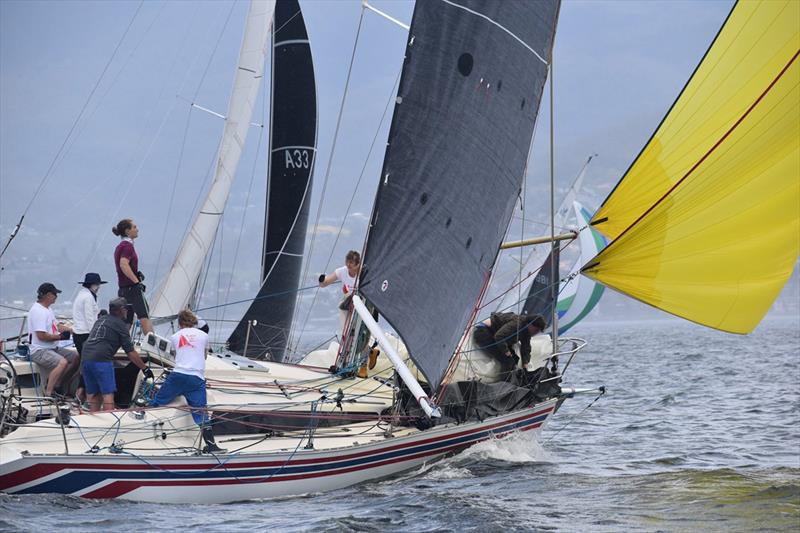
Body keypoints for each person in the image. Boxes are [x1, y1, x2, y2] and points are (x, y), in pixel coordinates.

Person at [149, 309, 222, 453]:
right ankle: (212, 446)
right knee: (201, 413)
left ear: (180, 323)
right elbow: (205, 356)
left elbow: (176, 357)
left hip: (179, 375)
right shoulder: (204, 335)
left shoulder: (175, 336)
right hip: (196, 379)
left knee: (159, 400)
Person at [81, 297, 153, 411]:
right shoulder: (120, 326)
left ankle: (93, 417)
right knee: (108, 394)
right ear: (121, 310)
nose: (127, 312)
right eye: (126, 309)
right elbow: (130, 352)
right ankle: (109, 421)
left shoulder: (101, 320)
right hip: (102, 360)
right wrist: (144, 369)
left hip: (86, 358)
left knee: (95, 393)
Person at [27, 283, 80, 398]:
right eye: (55, 294)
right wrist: (60, 337)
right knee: (62, 362)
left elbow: (57, 326)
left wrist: (73, 330)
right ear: (47, 295)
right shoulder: (38, 311)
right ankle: (48, 392)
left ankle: (58, 385)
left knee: (76, 357)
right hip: (39, 350)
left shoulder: (48, 309)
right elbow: (41, 336)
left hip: (52, 348)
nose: (56, 296)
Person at [112, 218, 152, 334]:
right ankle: (151, 345)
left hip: (123, 289)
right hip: (132, 288)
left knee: (127, 320)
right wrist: (136, 282)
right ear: (127, 231)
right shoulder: (128, 246)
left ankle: (120, 345)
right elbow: (123, 264)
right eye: (134, 227)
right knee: (144, 314)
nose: (137, 229)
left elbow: (123, 267)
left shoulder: (120, 246)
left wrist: (135, 273)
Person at [472, 312, 546, 374]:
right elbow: (499, 336)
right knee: (508, 362)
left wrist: (525, 363)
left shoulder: (526, 331)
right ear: (531, 325)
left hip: (494, 334)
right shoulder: (517, 324)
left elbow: (526, 347)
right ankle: (504, 385)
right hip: (483, 332)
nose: (535, 333)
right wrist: (506, 352)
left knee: (515, 359)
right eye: (536, 330)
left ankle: (509, 382)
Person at [72, 273, 107, 402]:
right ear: (93, 285)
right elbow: (90, 318)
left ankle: (80, 393)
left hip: (79, 334)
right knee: (89, 365)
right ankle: (81, 394)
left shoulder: (82, 295)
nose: (99, 287)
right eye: (98, 285)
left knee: (86, 364)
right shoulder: (88, 297)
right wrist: (96, 335)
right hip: (86, 335)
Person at [318, 250, 361, 335]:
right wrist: (321, 280)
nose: (348, 265)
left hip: (362, 298)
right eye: (347, 262)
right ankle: (346, 333)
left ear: (357, 264)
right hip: (350, 297)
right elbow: (325, 283)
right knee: (342, 306)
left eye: (351, 262)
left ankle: (356, 330)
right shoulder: (342, 271)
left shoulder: (363, 272)